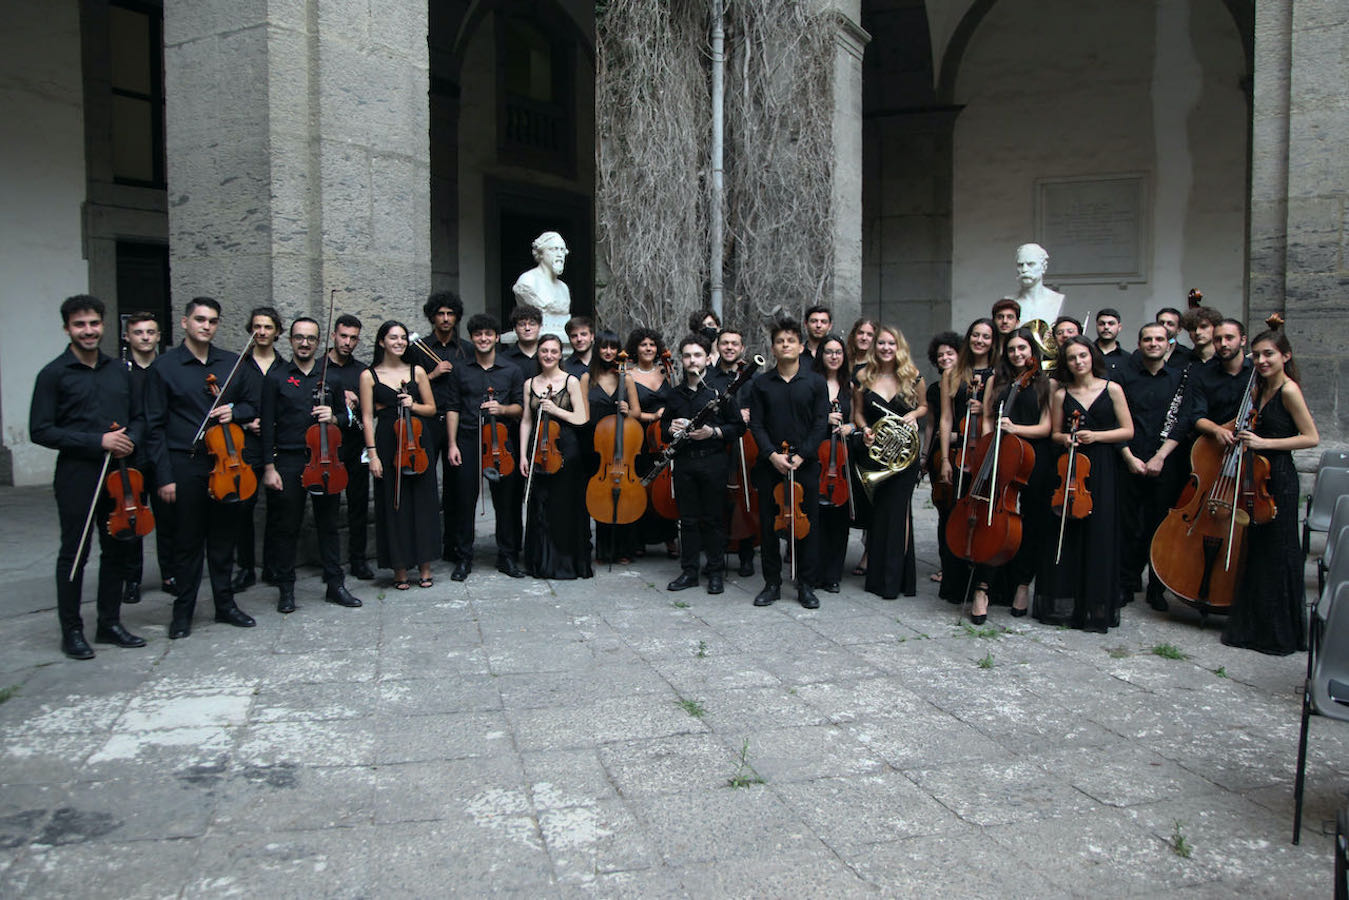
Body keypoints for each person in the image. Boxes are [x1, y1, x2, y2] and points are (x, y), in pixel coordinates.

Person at [30, 295, 146, 658]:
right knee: (75, 552)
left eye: (94, 323)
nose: (89, 331)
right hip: (78, 474)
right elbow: (41, 430)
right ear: (67, 328)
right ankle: (72, 630)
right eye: (80, 325)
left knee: (118, 548)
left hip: (120, 472)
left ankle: (109, 623)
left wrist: (129, 442)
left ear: (103, 325)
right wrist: (97, 441)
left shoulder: (119, 371)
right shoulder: (53, 374)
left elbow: (142, 418)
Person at [144, 297, 258, 639]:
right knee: (187, 542)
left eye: (212, 321)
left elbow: (254, 404)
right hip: (186, 462)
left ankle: (225, 605)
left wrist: (233, 412)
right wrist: (163, 476)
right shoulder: (165, 367)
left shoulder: (231, 364)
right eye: (200, 319)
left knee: (224, 540)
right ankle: (183, 613)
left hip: (226, 463)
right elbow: (153, 427)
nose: (206, 326)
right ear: (184, 323)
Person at [1221, 321, 1318, 655]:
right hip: (1255, 475)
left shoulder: (1289, 390)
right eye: (1257, 355)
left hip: (1279, 477)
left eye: (1269, 354)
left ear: (1285, 356)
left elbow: (1310, 437)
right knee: (1259, 551)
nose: (1261, 360)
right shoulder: (1257, 388)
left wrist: (1265, 442)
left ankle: (1279, 633)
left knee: (1280, 552)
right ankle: (1255, 626)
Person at [259, 317, 363, 612]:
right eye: (299, 337)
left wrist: (334, 417)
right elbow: (267, 426)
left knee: (328, 524)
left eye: (311, 339)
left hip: (325, 458)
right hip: (290, 461)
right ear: (289, 340)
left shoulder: (331, 377)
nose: (305, 343)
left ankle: (335, 584)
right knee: (287, 527)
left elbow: (348, 420)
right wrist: (269, 467)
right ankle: (286, 589)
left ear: (319, 342)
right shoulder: (275, 378)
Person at [1039, 337, 1134, 632]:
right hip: (1071, 467)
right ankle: (1068, 606)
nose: (1079, 362)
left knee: (1100, 533)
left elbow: (1127, 431)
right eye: (1072, 358)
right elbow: (1054, 434)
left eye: (1083, 356)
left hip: (1103, 467)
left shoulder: (1112, 389)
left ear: (1092, 357)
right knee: (1069, 535)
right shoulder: (1061, 394)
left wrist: (1097, 436)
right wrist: (1067, 438)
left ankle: (1096, 607)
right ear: (1066, 363)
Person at [747, 318, 829, 609]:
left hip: (804, 464)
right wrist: (772, 455)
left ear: (799, 346)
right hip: (771, 464)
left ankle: (806, 585)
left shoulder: (816, 382)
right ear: (773, 348)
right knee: (769, 527)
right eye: (780, 341)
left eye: (790, 341)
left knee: (807, 526)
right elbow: (756, 424)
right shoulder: (762, 383)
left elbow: (821, 424)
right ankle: (771, 584)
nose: (785, 345)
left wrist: (802, 455)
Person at [1118, 323, 1194, 611]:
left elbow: (1183, 421)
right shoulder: (1123, 377)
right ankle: (1125, 584)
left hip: (1166, 462)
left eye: (1159, 339)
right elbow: (1114, 419)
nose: (1153, 343)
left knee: (1160, 526)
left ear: (1169, 344)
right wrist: (1128, 457)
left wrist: (1160, 456)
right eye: (1147, 339)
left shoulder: (1181, 379)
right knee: (1128, 527)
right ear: (1139, 343)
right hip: (1129, 461)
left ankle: (1157, 589)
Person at [660, 333, 744, 594]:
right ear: (682, 360)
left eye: (697, 355)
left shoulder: (720, 392)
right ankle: (689, 572)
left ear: (708, 358)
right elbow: (663, 428)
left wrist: (713, 432)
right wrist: (669, 428)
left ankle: (715, 572)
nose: (692, 360)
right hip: (685, 463)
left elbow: (738, 427)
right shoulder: (674, 395)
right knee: (688, 520)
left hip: (713, 462)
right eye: (687, 355)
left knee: (714, 519)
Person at [359, 321, 439, 590]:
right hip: (387, 442)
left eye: (403, 338)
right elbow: (367, 418)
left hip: (417, 440)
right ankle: (400, 568)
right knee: (393, 505)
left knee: (423, 503)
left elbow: (431, 409)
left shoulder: (418, 371)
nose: (399, 342)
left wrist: (412, 404)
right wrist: (373, 455)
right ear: (381, 342)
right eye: (393, 338)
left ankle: (425, 566)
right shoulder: (369, 375)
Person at [446, 314, 527, 579]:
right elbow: (453, 408)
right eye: (478, 334)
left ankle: (507, 556)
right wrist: (452, 444)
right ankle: (463, 558)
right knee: (464, 501)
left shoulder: (511, 370)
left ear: (496, 337)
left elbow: (519, 408)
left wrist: (501, 408)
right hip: (468, 439)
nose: (483, 338)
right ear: (472, 338)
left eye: (488, 334)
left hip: (500, 441)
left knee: (505, 503)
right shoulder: (460, 369)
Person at [979, 328, 1053, 619]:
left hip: (1034, 458)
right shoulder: (997, 381)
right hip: (1000, 454)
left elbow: (1046, 427)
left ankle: (1022, 584)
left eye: (1022, 348)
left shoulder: (1045, 384)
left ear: (1032, 351)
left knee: (1031, 524)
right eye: (1012, 350)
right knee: (993, 521)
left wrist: (1014, 429)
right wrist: (987, 445)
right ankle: (984, 588)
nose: (1017, 354)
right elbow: (987, 415)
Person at [853, 326, 925, 600]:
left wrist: (914, 414)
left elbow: (925, 406)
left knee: (899, 512)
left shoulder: (911, 375)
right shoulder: (864, 376)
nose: (885, 348)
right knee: (880, 514)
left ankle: (895, 578)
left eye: (891, 343)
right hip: (878, 455)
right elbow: (858, 413)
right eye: (881, 343)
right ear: (875, 346)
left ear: (899, 347)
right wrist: (865, 430)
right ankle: (879, 577)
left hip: (904, 457)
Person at [519, 334, 593, 579]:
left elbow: (582, 418)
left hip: (565, 451)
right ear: (538, 354)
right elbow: (526, 421)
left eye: (553, 351)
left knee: (563, 506)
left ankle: (565, 563)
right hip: (538, 448)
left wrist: (555, 409)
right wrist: (522, 455)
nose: (548, 355)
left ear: (560, 355)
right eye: (544, 351)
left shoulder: (570, 381)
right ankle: (540, 562)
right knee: (540, 506)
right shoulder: (530, 384)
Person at [936, 318, 996, 602]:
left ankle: (982, 585)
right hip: (960, 453)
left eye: (986, 336)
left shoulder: (998, 373)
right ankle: (955, 583)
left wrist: (983, 410)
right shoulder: (953, 372)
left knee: (984, 520)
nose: (980, 340)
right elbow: (946, 417)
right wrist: (946, 459)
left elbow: (996, 416)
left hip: (985, 453)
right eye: (975, 335)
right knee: (954, 516)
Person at [231, 306, 284, 593]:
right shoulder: (238, 366)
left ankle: (273, 566)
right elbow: (226, 406)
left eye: (267, 327)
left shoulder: (284, 367)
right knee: (244, 508)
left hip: (276, 446)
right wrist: (246, 421)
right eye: (257, 327)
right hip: (247, 446)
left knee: (277, 510)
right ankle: (246, 568)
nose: (262, 332)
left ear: (277, 332)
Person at [121, 311, 174, 601]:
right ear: (128, 336)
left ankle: (169, 573)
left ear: (158, 336)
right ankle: (132, 578)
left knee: (168, 519)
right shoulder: (121, 373)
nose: (145, 337)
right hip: (132, 456)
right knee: (133, 520)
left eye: (150, 332)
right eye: (138, 332)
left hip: (163, 454)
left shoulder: (166, 369)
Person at [419, 292, 472, 564]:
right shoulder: (417, 348)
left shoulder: (465, 349)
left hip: (456, 424)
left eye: (450, 314)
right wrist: (432, 375)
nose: (446, 318)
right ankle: (427, 546)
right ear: (432, 317)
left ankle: (453, 545)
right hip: (427, 423)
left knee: (456, 487)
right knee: (426, 486)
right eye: (440, 313)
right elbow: (407, 386)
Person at [580, 330, 641, 564]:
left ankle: (623, 549)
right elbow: (583, 413)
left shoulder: (627, 378)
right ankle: (603, 550)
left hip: (622, 444)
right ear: (597, 349)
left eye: (613, 348)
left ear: (618, 351)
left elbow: (636, 412)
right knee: (600, 496)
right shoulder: (588, 378)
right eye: (604, 347)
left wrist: (627, 410)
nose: (608, 352)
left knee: (624, 493)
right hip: (596, 444)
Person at [323, 313, 374, 580]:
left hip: (354, 444)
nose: (348, 342)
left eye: (353, 338)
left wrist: (359, 401)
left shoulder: (361, 371)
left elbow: (371, 411)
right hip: (325, 448)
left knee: (358, 506)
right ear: (334, 336)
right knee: (328, 508)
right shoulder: (320, 368)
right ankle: (329, 564)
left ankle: (358, 559)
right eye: (343, 336)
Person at [705, 327, 758, 578]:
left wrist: (750, 414)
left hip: (746, 445)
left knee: (745, 500)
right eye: (724, 343)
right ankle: (716, 554)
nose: (729, 347)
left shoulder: (752, 377)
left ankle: (746, 554)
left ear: (741, 348)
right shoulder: (709, 378)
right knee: (717, 501)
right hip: (719, 444)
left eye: (734, 344)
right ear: (718, 346)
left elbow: (763, 407)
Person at [627, 327, 678, 557]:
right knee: (642, 486)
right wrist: (656, 416)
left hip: (665, 437)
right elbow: (634, 412)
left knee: (666, 487)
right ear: (636, 348)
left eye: (652, 345)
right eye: (643, 345)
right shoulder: (628, 375)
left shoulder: (666, 371)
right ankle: (639, 539)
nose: (648, 348)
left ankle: (669, 537)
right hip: (641, 437)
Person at [812, 335, 857, 594]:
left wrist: (849, 427)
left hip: (841, 459)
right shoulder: (812, 384)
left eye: (838, 352)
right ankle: (814, 571)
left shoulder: (850, 387)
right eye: (828, 352)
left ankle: (833, 574)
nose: (833, 356)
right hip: (818, 458)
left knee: (839, 521)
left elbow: (858, 420)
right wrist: (824, 419)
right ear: (822, 356)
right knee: (816, 518)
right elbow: (804, 419)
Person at [923, 331, 960, 588]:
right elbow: (931, 424)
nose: (945, 358)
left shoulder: (969, 383)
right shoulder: (935, 388)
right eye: (940, 355)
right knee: (944, 510)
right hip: (939, 451)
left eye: (950, 353)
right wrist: (925, 455)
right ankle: (946, 565)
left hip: (965, 447)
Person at [1191, 319, 1252, 441]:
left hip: (1252, 443)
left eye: (1229, 338)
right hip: (1214, 443)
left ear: (1243, 340)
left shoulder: (1256, 372)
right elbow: (1197, 416)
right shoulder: (1202, 374)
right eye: (1218, 339)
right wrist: (1216, 430)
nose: (1223, 343)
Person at [512, 231, 572, 339]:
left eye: (562, 250)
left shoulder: (563, 288)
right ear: (541, 254)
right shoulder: (527, 281)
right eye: (553, 249)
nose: (559, 254)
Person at [1007, 243, 1065, 326]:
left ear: (1044, 267)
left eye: (1030, 264)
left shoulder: (1057, 299)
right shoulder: (1009, 301)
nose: (1024, 269)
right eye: (1020, 265)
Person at [501, 304, 543, 377]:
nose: (527, 328)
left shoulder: (547, 356)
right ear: (515, 328)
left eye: (532, 324)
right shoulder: (504, 359)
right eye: (522, 324)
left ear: (539, 327)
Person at [1094, 308, 1126, 379]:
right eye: (1102, 324)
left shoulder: (1127, 359)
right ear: (1096, 326)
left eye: (1111, 324)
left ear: (1119, 327)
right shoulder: (1086, 353)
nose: (1106, 327)